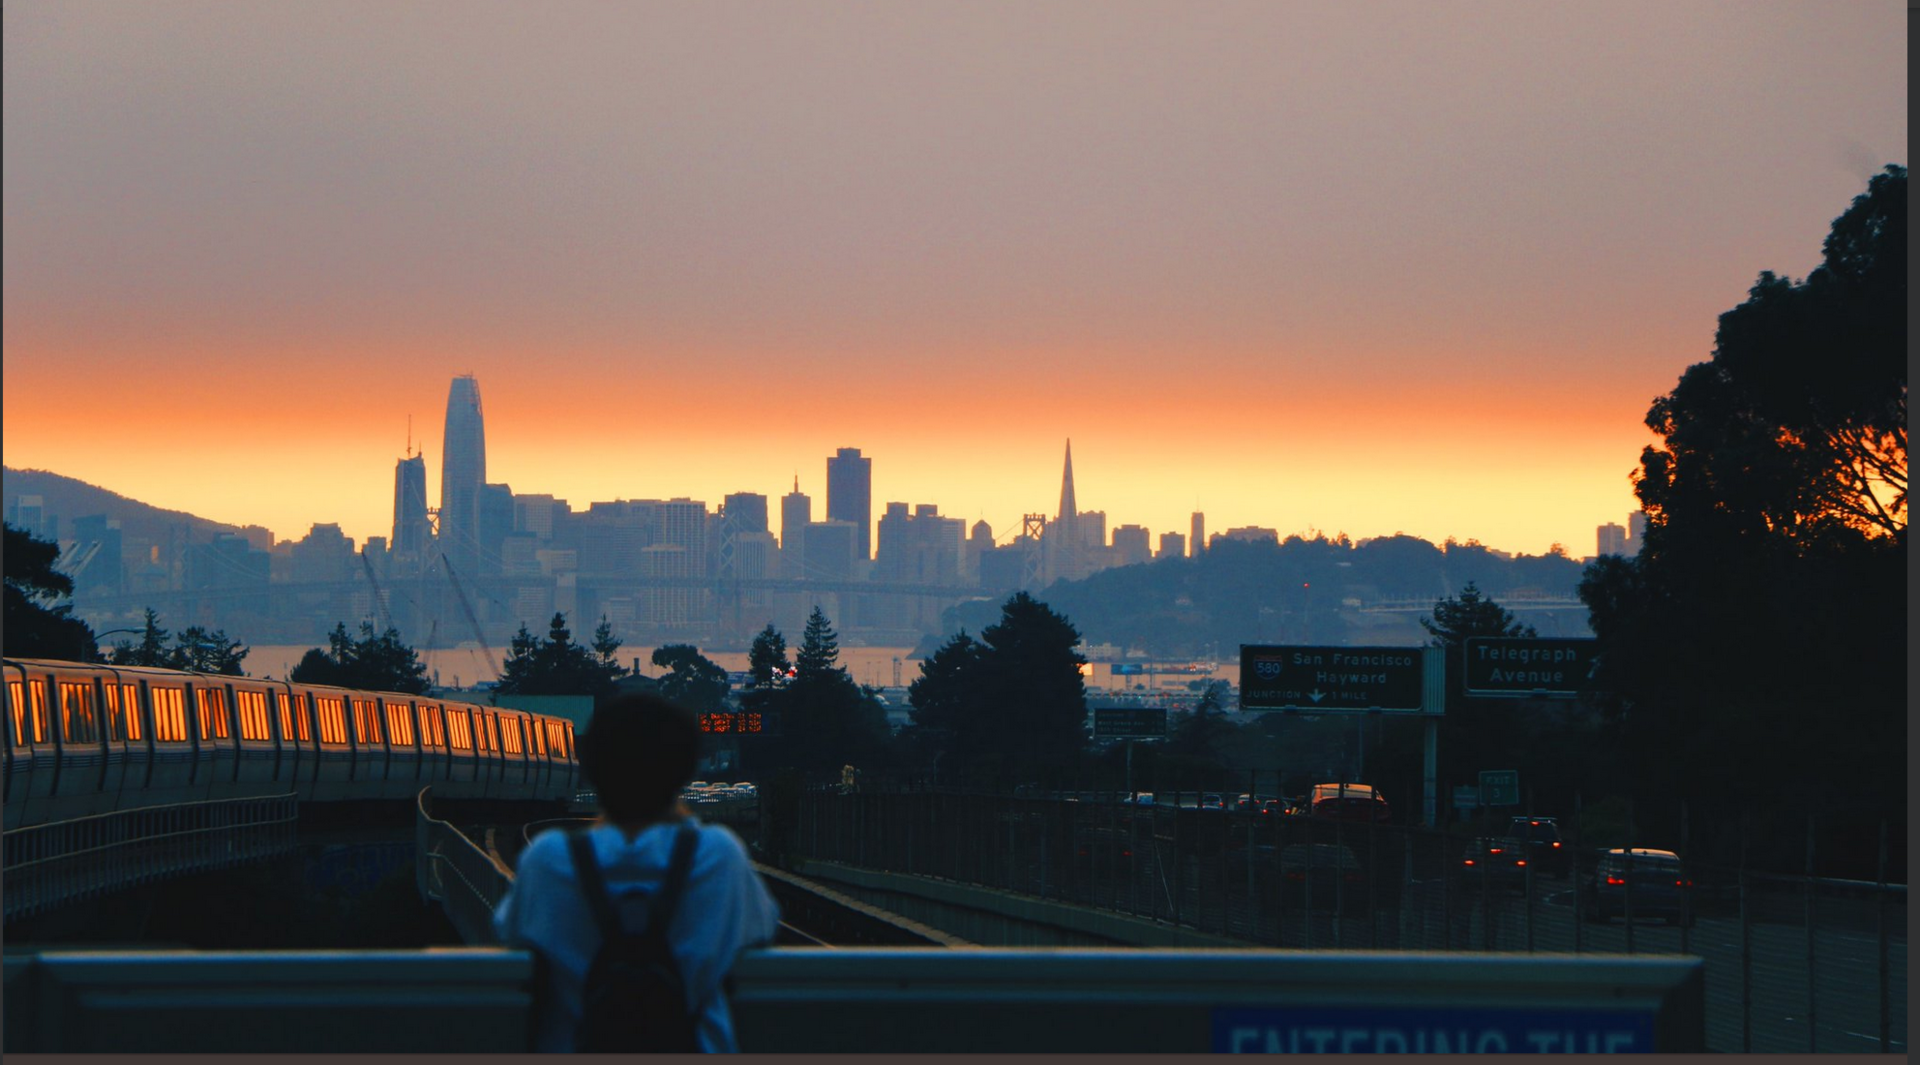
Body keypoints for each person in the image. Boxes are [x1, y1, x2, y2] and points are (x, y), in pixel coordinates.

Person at [494, 691, 780, 1052]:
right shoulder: (718, 855)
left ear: (593, 770)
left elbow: (509, 932)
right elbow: (763, 928)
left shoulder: (548, 859)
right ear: (685, 770)